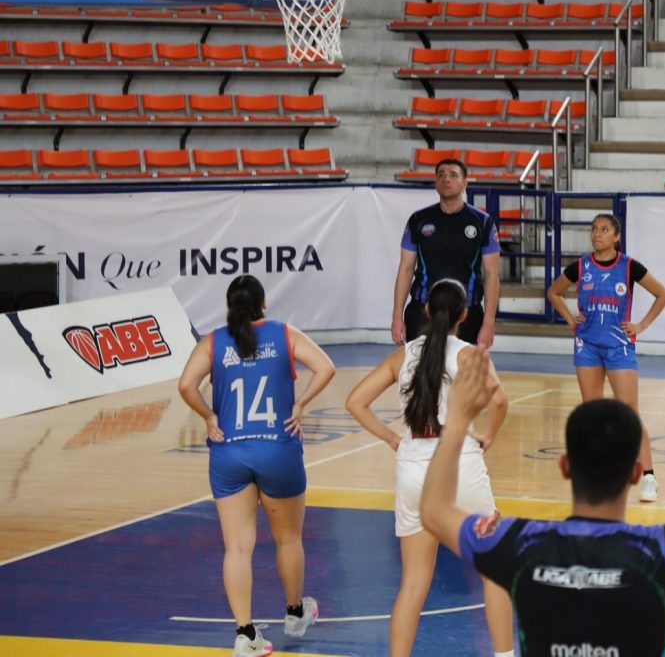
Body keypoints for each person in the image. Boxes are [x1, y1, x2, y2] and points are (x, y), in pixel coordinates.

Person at [418, 344, 665, 656]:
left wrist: (457, 421)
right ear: (636, 473)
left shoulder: (520, 544)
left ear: (565, 466)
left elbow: (434, 511)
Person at [347, 279, 514, 657]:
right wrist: (489, 434)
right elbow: (500, 401)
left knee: (413, 583)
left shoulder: (403, 356)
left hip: (413, 467)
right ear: (464, 316)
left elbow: (355, 401)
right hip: (460, 465)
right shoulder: (469, 355)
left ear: (425, 310)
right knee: (494, 569)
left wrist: (393, 439)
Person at [176, 275, 336, 657]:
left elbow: (185, 385)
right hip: (277, 448)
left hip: (229, 452)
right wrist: (300, 405)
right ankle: (295, 612)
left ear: (228, 307)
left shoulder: (213, 341)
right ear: (264, 305)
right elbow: (326, 367)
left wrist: (208, 417)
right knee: (288, 539)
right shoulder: (283, 333)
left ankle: (246, 635)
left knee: (237, 547)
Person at [546, 212, 665, 502]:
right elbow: (554, 292)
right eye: (594, 229)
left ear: (616, 236)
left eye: (604, 229)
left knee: (629, 413)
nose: (597, 234)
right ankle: (598, 473)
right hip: (587, 345)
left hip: (618, 347)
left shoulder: (629, 266)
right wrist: (570, 319)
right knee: (592, 414)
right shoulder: (581, 266)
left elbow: (662, 294)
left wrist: (641, 325)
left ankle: (649, 477)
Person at [391, 157, 500, 349]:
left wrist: (489, 322)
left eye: (453, 175)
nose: (446, 179)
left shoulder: (483, 222)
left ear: (465, 183)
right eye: (441, 175)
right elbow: (406, 269)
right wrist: (397, 316)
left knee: (461, 369)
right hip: (422, 311)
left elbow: (491, 275)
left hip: (467, 313)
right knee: (419, 367)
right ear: (435, 183)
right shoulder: (418, 220)